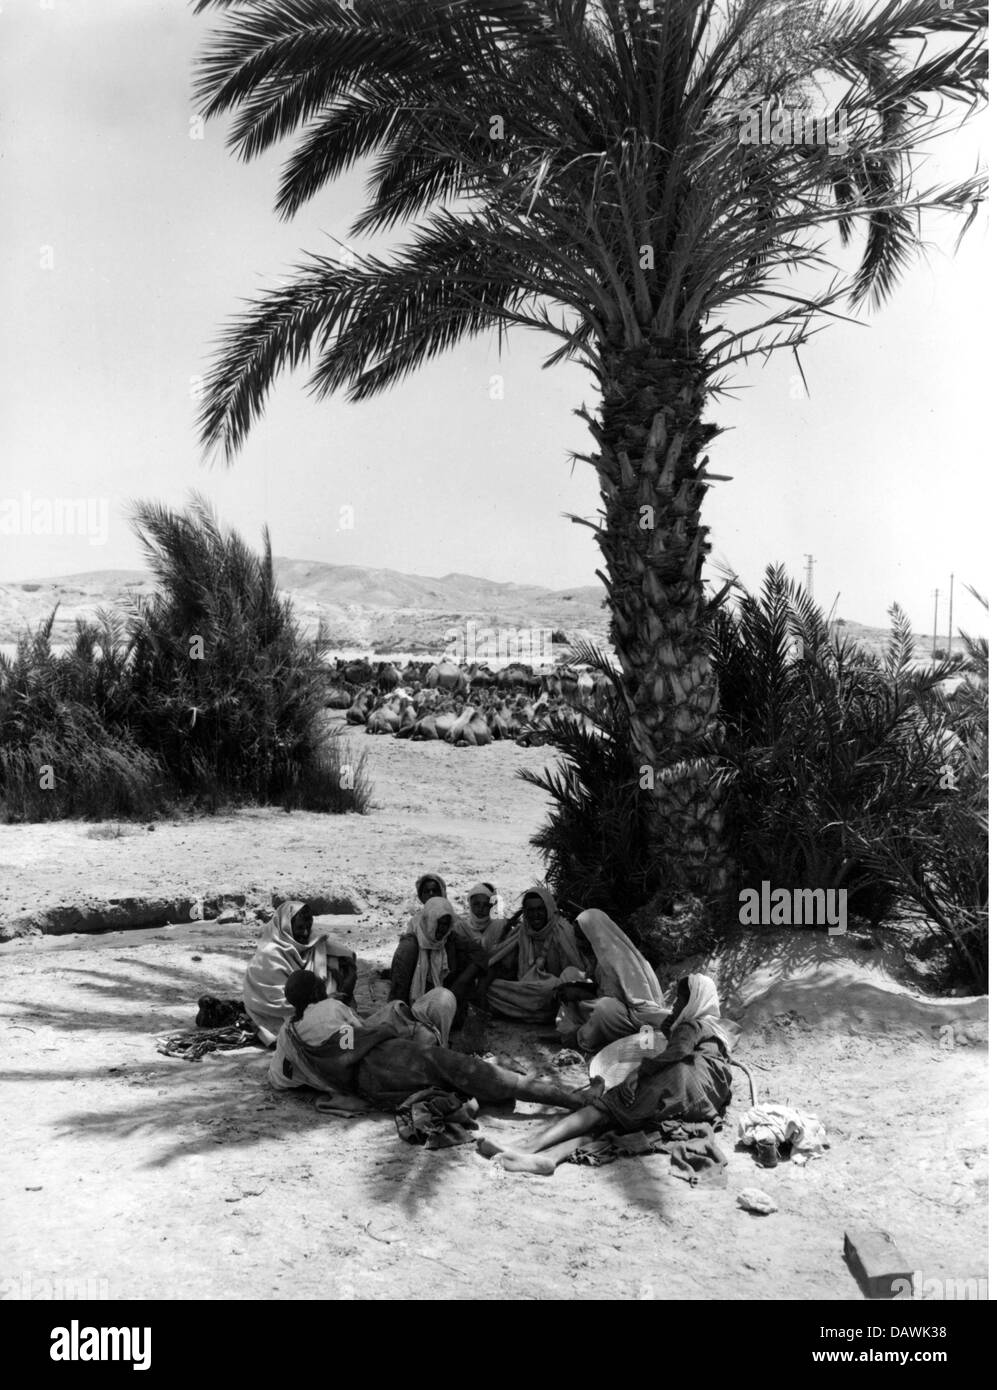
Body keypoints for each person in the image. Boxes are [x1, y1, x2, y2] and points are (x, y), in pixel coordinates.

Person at [477, 974, 733, 1174]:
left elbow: (677, 1051)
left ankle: (527, 1146)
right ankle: (549, 1158)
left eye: (681, 1001)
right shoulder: (716, 1033)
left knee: (604, 1107)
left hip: (677, 1087)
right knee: (612, 1124)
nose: (676, 1005)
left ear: (694, 1002)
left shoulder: (691, 1024)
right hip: (696, 1106)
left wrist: (639, 1073)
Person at [270, 971, 598, 1114]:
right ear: (316, 993)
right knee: (476, 1072)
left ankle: (553, 1098)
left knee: (455, 1080)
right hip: (387, 1059)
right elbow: (354, 1040)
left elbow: (282, 1079)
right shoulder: (329, 1007)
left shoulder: (288, 1036)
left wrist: (323, 1076)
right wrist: (379, 1032)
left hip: (367, 1087)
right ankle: (573, 1101)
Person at [553, 907, 669, 1053]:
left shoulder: (617, 960)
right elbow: (599, 987)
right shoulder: (597, 956)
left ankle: (582, 1037)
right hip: (609, 1006)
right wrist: (577, 989)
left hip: (632, 1018)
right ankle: (571, 1029)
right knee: (570, 975)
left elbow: (626, 1003)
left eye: (582, 938)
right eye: (577, 938)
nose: (579, 943)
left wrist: (580, 993)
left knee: (605, 1009)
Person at [242, 899, 357, 1046]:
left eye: (308, 927)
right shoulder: (269, 955)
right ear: (286, 927)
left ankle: (332, 1016)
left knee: (336, 960)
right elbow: (283, 1002)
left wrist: (348, 973)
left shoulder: (313, 942)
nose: (305, 933)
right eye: (300, 928)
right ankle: (327, 1020)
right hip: (277, 1016)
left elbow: (346, 955)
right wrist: (325, 1002)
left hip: (318, 1005)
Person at [485, 886, 590, 1023]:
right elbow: (502, 957)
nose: (536, 915)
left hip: (556, 990)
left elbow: (575, 971)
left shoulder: (563, 931)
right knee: (493, 987)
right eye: (531, 910)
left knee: (555, 985)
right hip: (528, 988)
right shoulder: (523, 931)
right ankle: (536, 1013)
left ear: (548, 909)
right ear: (525, 913)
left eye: (540, 909)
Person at [386, 896, 470, 1044]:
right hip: (407, 1013)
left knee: (445, 1000)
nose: (442, 929)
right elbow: (398, 994)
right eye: (439, 923)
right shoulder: (409, 946)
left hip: (432, 1011)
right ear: (429, 920)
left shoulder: (446, 943)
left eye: (446, 924)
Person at [456, 881, 508, 955]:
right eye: (476, 904)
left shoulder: (499, 925)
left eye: (486, 905)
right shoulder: (461, 927)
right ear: (470, 904)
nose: (481, 909)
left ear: (492, 906)